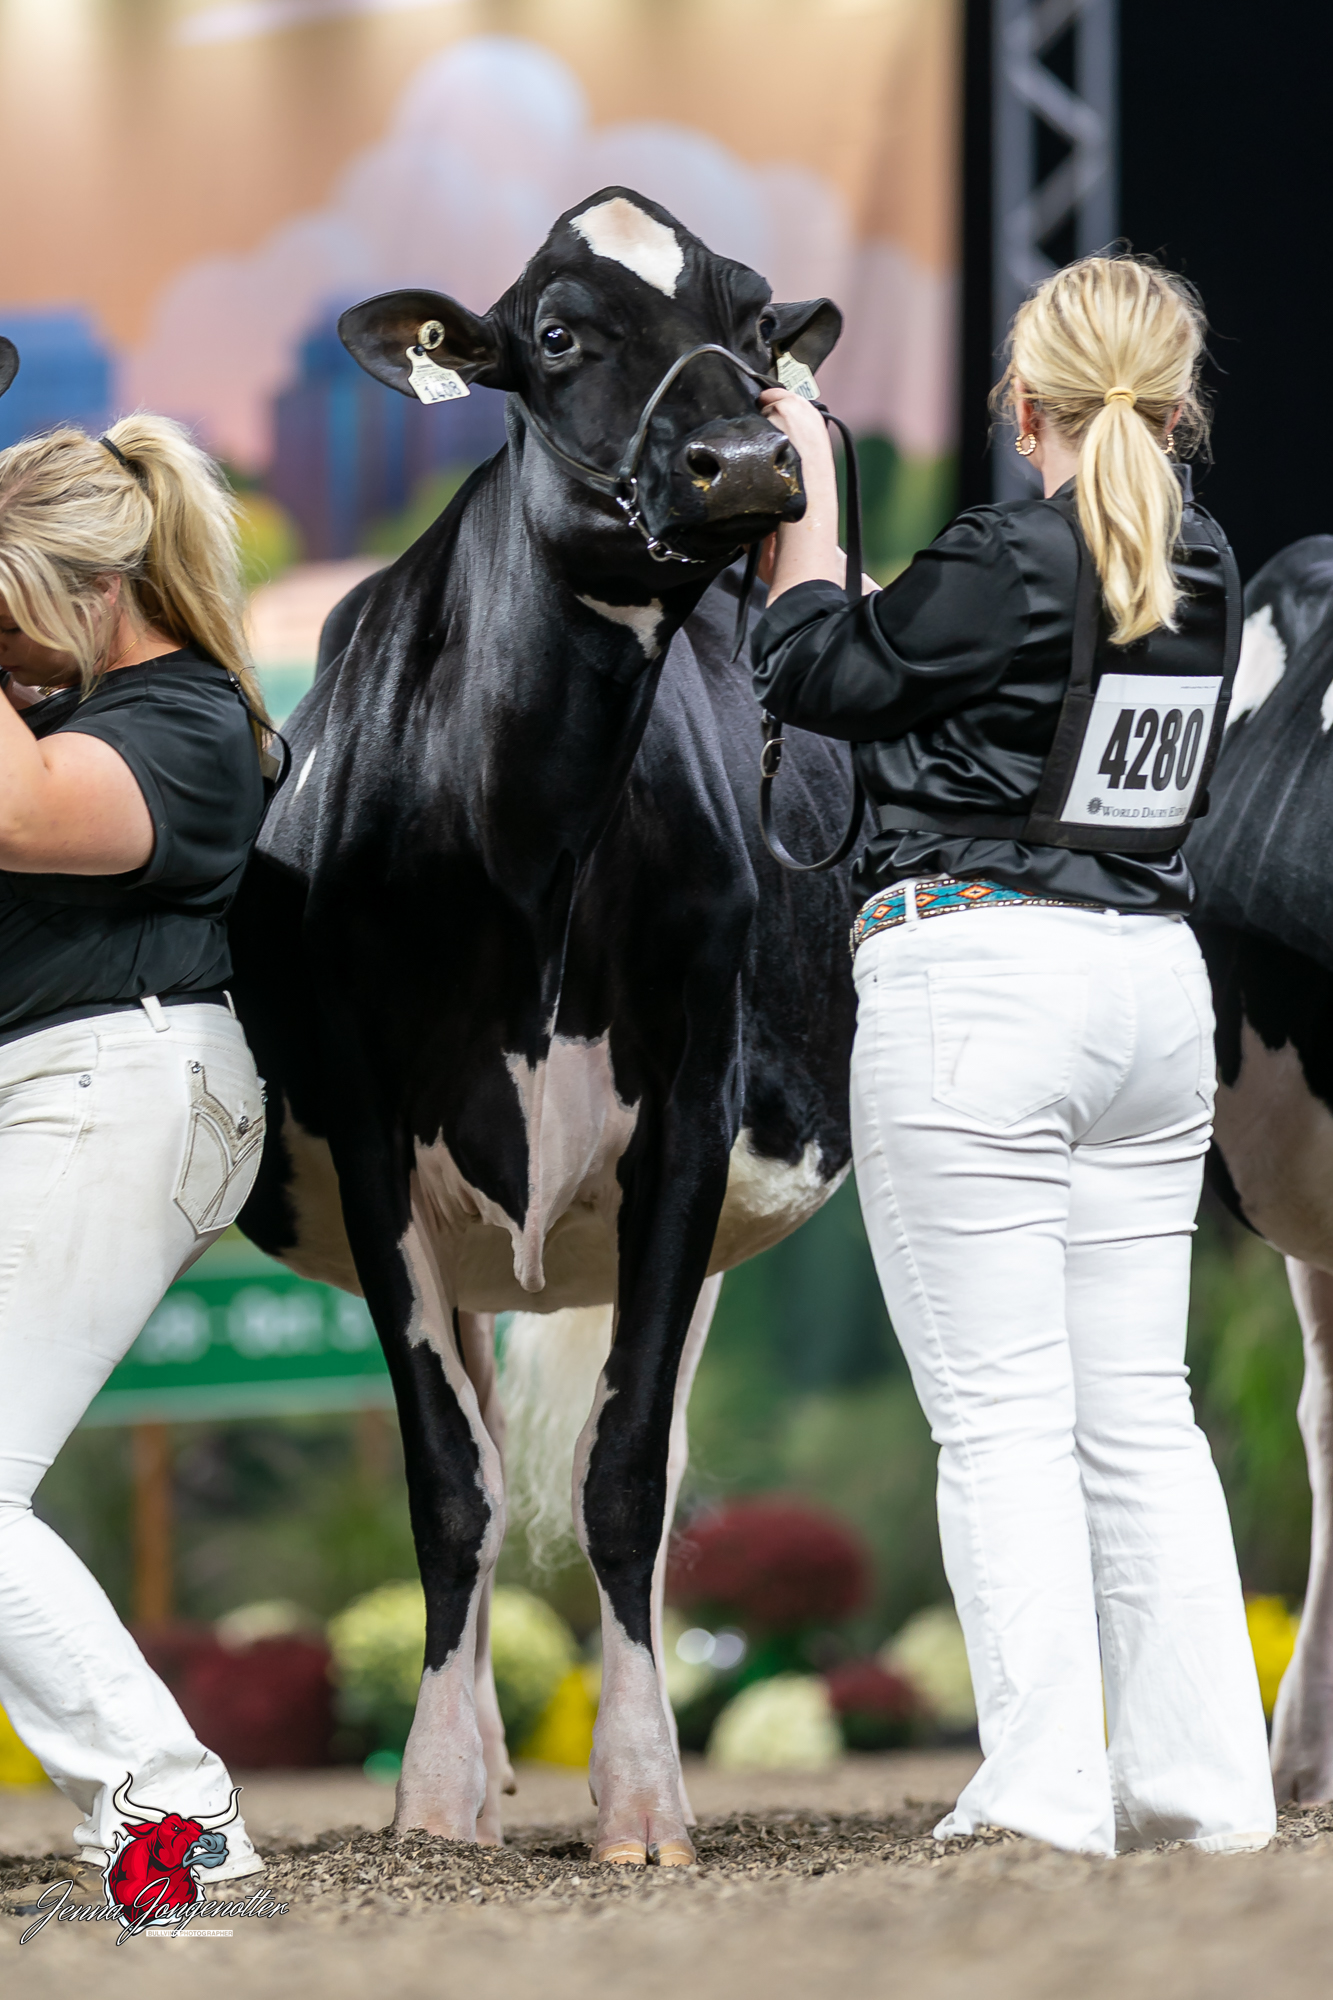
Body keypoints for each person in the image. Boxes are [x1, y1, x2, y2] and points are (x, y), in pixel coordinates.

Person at [751, 255, 1275, 1857]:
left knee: (998, 1418)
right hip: (1150, 995)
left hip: (979, 983)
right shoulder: (1201, 556)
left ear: (1019, 404)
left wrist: (808, 506)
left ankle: (1041, 1791)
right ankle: (1205, 1790)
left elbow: (808, 672)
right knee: (1138, 1416)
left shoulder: (1002, 552)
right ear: (1176, 408)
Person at [0, 414, 272, 1894]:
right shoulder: (63, 706)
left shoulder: (188, 722)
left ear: (102, 590)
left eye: (12, 612)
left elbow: (19, 813)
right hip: (59, 1090)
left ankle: (175, 1819)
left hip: (121, 1085)